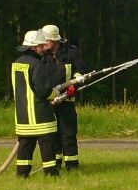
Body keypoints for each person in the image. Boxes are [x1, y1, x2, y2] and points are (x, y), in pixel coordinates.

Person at [11, 30, 63, 177]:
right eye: (41, 46)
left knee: (25, 146)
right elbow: (43, 90)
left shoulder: (16, 63)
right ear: (33, 47)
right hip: (40, 114)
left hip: (23, 115)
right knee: (47, 144)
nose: (43, 49)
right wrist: (56, 94)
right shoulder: (36, 65)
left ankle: (22, 174)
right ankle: (51, 173)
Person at [41, 24, 87, 170]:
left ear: (54, 41)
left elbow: (80, 72)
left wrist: (74, 87)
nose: (43, 44)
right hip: (49, 102)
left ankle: (72, 165)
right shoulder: (42, 55)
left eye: (46, 41)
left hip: (67, 100)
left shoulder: (71, 53)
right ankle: (55, 164)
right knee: (52, 134)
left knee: (68, 133)